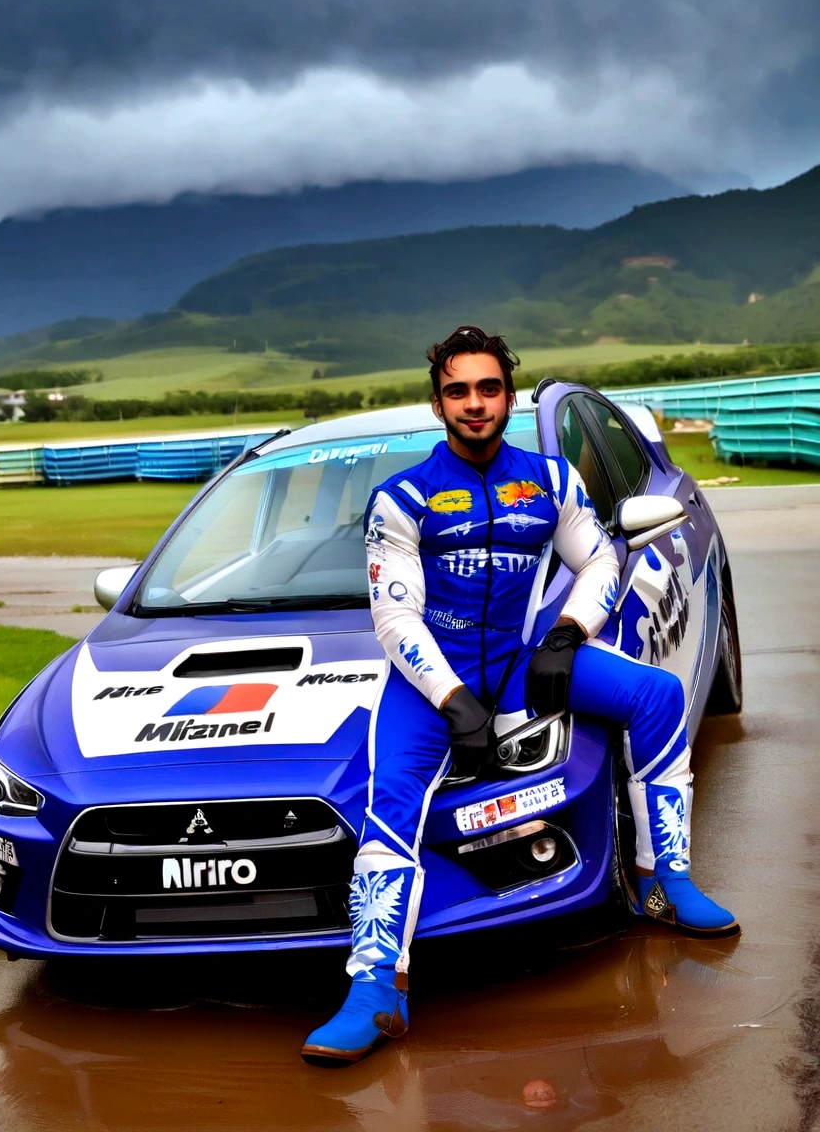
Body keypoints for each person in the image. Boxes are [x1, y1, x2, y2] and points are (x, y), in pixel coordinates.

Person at [301, 325, 738, 1067]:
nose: (475, 404)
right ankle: (376, 988)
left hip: (519, 662)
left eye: (488, 388)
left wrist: (569, 634)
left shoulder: (549, 479)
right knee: (394, 801)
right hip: (429, 684)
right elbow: (395, 615)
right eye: (457, 390)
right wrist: (450, 702)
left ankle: (664, 881)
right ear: (438, 402)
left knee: (658, 697)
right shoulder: (401, 497)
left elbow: (599, 558)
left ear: (507, 393)